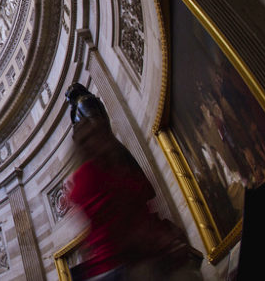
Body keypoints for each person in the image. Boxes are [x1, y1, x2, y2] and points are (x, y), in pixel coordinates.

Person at [64, 86, 199, 281]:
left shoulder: (84, 106)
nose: (99, 135)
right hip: (124, 262)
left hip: (127, 260)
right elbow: (118, 223)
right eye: (92, 135)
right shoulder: (91, 175)